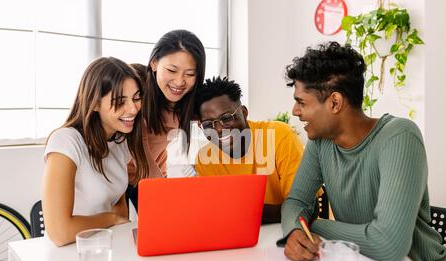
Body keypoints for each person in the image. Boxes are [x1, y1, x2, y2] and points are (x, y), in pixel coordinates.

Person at [280, 41, 446, 261]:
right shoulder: (320, 142)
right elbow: (296, 201)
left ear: (335, 103)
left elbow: (389, 244)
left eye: (301, 102)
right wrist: (296, 230)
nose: (295, 111)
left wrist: (315, 225)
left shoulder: (399, 137)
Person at [42, 57, 148, 246]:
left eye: (136, 98)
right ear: (95, 103)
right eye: (120, 101)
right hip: (69, 254)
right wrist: (110, 219)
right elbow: (59, 232)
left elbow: (119, 206)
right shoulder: (66, 141)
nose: (133, 108)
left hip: (105, 246)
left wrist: (115, 220)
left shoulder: (120, 140)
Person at [195, 76, 304, 224]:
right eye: (208, 125)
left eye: (226, 118)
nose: (219, 130)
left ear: (244, 113)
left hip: (286, 232)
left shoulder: (279, 136)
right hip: (238, 238)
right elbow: (215, 215)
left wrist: (241, 211)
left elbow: (303, 208)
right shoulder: (204, 158)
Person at [126, 30, 206, 210]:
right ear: (154, 63)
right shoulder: (136, 92)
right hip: (121, 184)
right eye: (171, 70)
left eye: (190, 74)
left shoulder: (193, 106)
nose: (179, 82)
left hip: (154, 181)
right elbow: (143, 156)